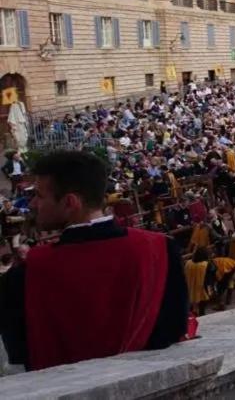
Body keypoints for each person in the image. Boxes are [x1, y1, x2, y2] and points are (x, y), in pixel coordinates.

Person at [0, 151, 187, 371]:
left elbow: (18, 352)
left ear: (70, 202)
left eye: (40, 196)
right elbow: (174, 329)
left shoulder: (31, 270)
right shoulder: (161, 249)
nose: (32, 204)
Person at [184, 247, 217, 316]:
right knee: (202, 305)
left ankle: (192, 313)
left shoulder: (188, 263)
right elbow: (213, 272)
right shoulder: (206, 264)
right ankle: (201, 314)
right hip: (202, 287)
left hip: (190, 287)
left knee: (191, 304)